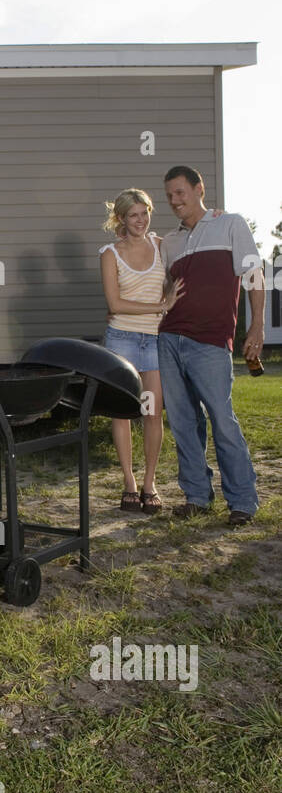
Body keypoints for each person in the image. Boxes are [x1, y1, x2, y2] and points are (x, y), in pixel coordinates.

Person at [157, 165, 264, 527]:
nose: (174, 200)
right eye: (169, 195)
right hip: (169, 338)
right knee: (184, 423)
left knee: (221, 419)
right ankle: (197, 497)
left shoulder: (230, 223)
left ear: (199, 188)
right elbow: (165, 289)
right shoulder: (169, 242)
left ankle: (244, 501)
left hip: (211, 341)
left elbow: (254, 275)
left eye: (180, 192)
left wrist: (257, 327)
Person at [99, 189, 184, 513]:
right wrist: (161, 305)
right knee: (122, 412)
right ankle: (129, 483)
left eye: (144, 213)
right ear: (121, 218)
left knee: (151, 412)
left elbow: (189, 248)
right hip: (121, 339)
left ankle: (150, 483)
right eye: (133, 215)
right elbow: (115, 303)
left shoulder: (162, 246)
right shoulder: (110, 253)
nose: (140, 220)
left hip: (154, 340)